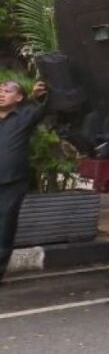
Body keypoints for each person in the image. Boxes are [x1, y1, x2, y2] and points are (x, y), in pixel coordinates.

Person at [0, 79, 48, 281]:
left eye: (7, 90)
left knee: (4, 227)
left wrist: (39, 94)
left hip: (12, 182)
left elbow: (47, 106)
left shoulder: (25, 115)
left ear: (19, 98)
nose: (1, 93)